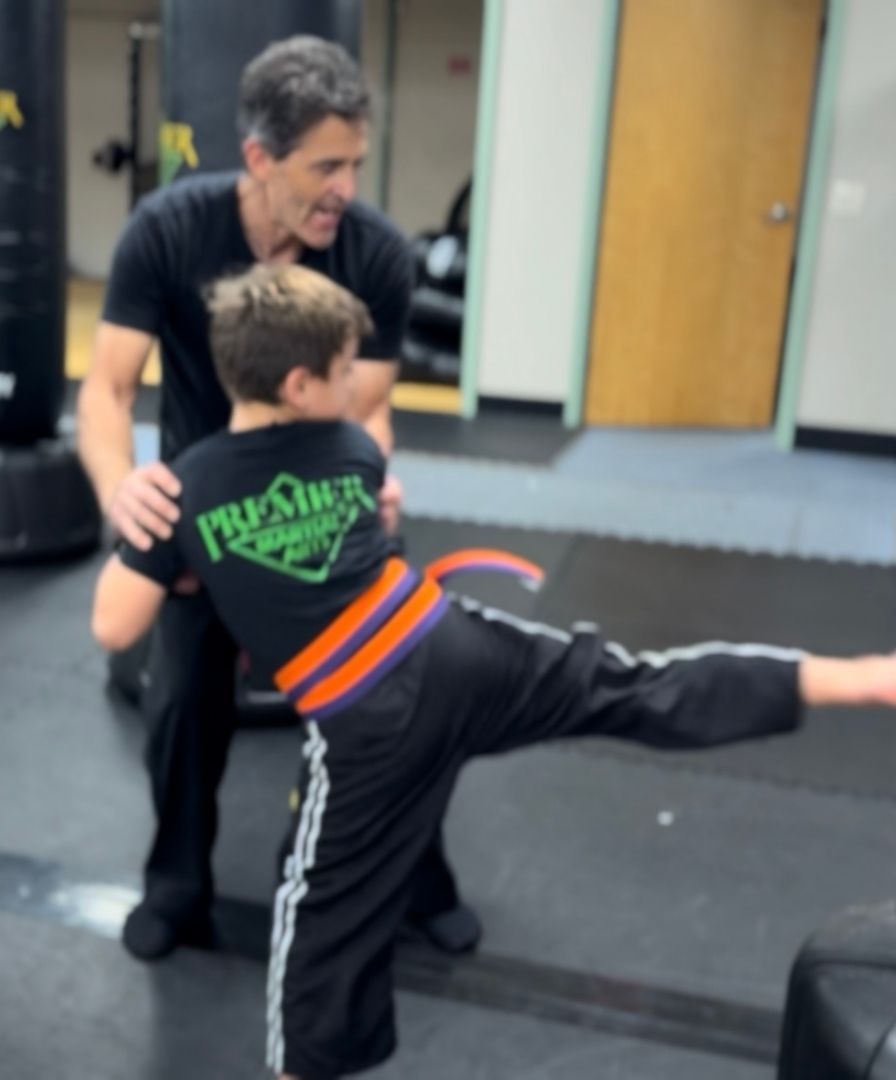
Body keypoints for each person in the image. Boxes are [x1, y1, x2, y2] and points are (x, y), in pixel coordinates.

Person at [91, 263, 896, 1080]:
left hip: (363, 721)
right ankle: (866, 677)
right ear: (303, 387)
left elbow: (112, 624)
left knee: (320, 929)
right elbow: (359, 522)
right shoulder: (351, 449)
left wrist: (155, 537)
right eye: (348, 372)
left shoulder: (187, 487)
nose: (358, 391)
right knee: (633, 684)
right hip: (456, 651)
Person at [75, 34, 477, 962]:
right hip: (200, 512)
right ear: (259, 159)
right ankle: (176, 884)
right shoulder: (169, 230)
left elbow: (366, 408)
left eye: (355, 164)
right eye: (323, 166)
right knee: (182, 708)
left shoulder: (372, 251)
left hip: (322, 512)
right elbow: (105, 389)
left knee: (389, 702)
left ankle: (416, 874)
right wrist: (121, 488)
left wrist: (371, 484)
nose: (345, 186)